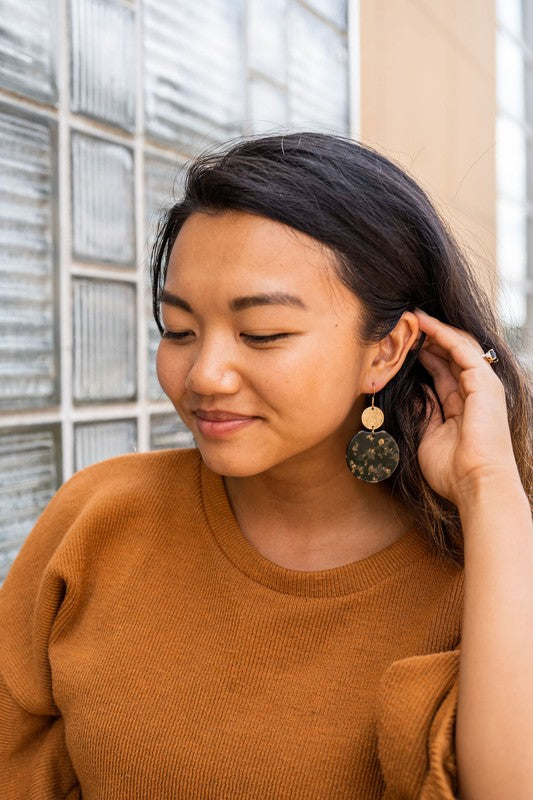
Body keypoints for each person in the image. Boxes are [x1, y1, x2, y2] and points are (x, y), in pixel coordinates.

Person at [0, 133, 531, 800]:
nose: (205, 375)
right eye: (178, 330)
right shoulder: (100, 516)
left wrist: (489, 490)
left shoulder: (491, 569)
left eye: (262, 335)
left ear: (386, 350)